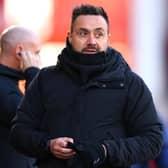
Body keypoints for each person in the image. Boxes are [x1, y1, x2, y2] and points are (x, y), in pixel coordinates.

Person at [10, 4, 163, 168]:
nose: (92, 41)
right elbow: (19, 132)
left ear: (107, 38)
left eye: (99, 34)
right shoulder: (45, 79)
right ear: (69, 37)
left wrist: (105, 151)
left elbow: (152, 140)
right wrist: (47, 145)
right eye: (83, 33)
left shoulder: (130, 83)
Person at [0, 25, 41, 168]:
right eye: (36, 53)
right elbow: (36, 118)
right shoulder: (4, 88)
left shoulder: (9, 83)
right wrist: (33, 72)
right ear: (19, 52)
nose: (38, 59)